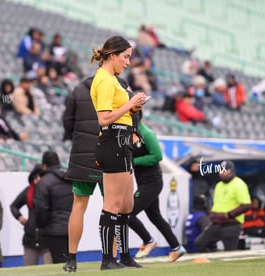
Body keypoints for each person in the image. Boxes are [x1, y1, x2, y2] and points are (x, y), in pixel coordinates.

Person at [62, 75, 131, 272]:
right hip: (111, 151)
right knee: (113, 206)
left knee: (78, 205)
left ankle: (71, 260)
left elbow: (67, 122)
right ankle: (111, 258)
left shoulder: (77, 89)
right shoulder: (120, 85)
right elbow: (133, 115)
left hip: (82, 155)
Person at [89, 35, 147, 270]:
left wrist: (132, 106)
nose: (128, 62)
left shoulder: (112, 80)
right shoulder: (104, 80)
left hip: (122, 143)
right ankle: (107, 259)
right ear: (112, 55)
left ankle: (124, 256)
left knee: (126, 206)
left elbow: (117, 112)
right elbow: (103, 119)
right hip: (113, 142)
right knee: (112, 204)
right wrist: (127, 105)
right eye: (125, 57)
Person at [129, 111, 186, 262]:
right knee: (155, 216)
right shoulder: (131, 135)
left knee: (127, 213)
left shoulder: (147, 134)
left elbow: (157, 156)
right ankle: (177, 248)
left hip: (152, 181)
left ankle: (148, 241)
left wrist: (132, 162)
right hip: (144, 181)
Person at [194, 160, 251, 252]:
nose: (222, 173)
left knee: (230, 252)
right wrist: (212, 213)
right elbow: (216, 203)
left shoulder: (239, 184)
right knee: (199, 242)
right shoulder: (218, 185)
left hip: (231, 224)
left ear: (231, 171)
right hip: (216, 222)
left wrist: (229, 215)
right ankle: (212, 258)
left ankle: (225, 263)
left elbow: (246, 205)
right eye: (221, 170)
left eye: (225, 170)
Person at [33, 151, 73, 264]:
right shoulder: (69, 177)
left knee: (59, 263)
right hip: (73, 227)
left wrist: (42, 227)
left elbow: (40, 209)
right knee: (70, 262)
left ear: (44, 165)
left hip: (54, 230)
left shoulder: (44, 182)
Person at [10, 165, 52, 266]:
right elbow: (14, 206)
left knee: (51, 270)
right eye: (35, 177)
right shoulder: (28, 192)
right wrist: (19, 217)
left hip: (48, 238)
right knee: (28, 270)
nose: (38, 179)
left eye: (41, 176)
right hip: (30, 238)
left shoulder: (51, 191)